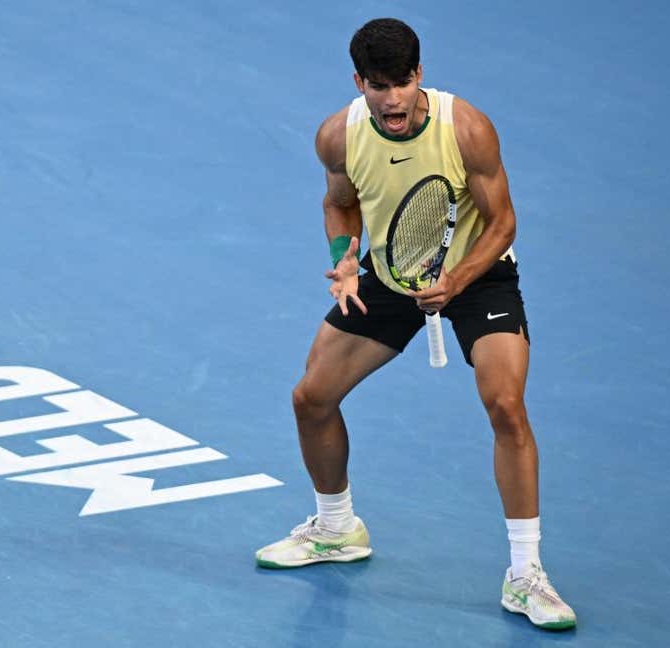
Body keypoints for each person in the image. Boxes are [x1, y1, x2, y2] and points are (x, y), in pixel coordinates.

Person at [254, 18, 576, 630]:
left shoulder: (467, 128)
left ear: (419, 75)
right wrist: (344, 260)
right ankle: (336, 527)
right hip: (394, 274)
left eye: (403, 82)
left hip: (478, 277)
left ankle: (526, 574)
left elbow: (503, 222)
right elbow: (340, 202)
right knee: (311, 398)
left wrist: (456, 281)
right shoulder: (338, 137)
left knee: (506, 406)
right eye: (380, 85)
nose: (394, 98)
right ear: (360, 83)